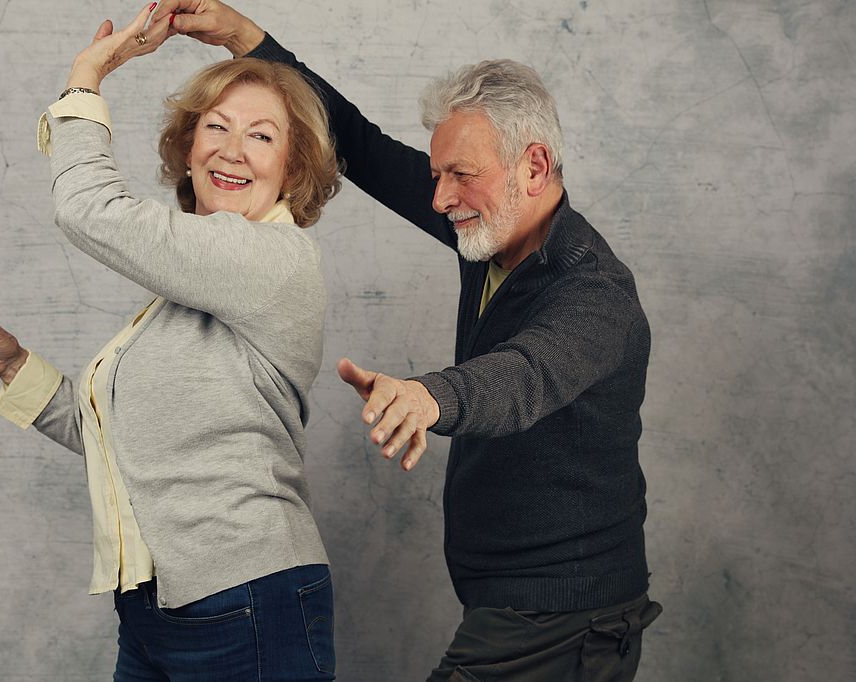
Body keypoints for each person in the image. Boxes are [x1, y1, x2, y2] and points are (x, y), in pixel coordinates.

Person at [155, 1, 663, 680]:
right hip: (509, 603)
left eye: (462, 176)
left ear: (534, 167)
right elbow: (358, 145)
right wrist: (246, 40)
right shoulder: (489, 234)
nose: (441, 197)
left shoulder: (596, 295)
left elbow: (525, 374)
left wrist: (428, 397)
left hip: (567, 619)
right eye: (438, 174)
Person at [0, 5, 341, 680]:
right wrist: (14, 366)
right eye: (216, 127)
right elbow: (129, 443)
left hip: (245, 604)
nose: (232, 150)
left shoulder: (272, 259)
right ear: (188, 146)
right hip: (153, 611)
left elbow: (89, 208)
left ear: (292, 170)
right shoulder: (183, 293)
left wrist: (89, 74)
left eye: (261, 136)